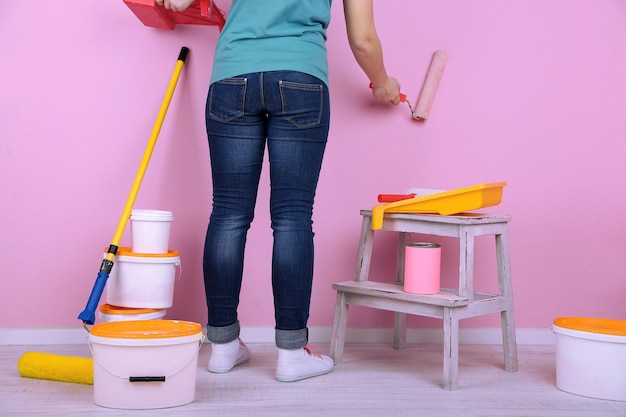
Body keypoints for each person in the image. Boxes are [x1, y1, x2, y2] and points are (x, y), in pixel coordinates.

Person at [157, 0, 401, 382]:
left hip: (233, 76)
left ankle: (222, 347)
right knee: (292, 218)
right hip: (300, 78)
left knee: (228, 213)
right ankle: (291, 353)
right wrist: (383, 82)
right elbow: (364, 40)